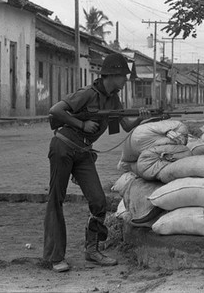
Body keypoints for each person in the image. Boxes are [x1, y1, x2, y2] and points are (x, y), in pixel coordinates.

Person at [43, 53, 150, 272]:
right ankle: (55, 258)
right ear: (112, 75)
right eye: (123, 76)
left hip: (83, 152)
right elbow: (55, 111)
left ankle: (92, 250)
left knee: (99, 201)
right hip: (63, 146)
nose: (125, 81)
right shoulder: (86, 94)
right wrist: (81, 125)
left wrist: (142, 117)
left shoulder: (114, 99)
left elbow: (125, 126)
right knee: (56, 199)